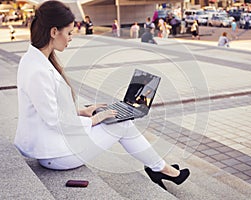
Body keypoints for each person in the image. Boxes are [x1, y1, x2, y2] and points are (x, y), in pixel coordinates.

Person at [14, 0, 190, 190]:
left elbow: (47, 109)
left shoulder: (34, 60)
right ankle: (162, 169)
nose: (71, 38)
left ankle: (159, 167)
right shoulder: (39, 70)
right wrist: (96, 119)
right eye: (69, 32)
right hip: (56, 155)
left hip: (54, 146)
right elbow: (54, 120)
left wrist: (83, 111)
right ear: (54, 32)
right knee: (123, 124)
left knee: (119, 120)